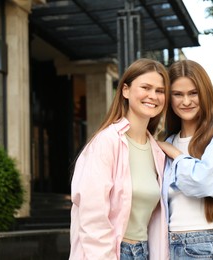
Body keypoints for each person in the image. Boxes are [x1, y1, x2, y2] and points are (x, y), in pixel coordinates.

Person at [69, 58, 170, 260]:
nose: (153, 96)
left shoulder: (157, 152)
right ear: (125, 90)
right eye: (146, 87)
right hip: (113, 252)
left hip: (144, 252)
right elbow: (93, 216)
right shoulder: (106, 142)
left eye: (160, 90)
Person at [157, 60, 213, 260]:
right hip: (170, 244)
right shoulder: (168, 141)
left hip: (205, 244)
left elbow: (204, 182)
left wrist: (176, 155)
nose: (186, 101)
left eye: (193, 93)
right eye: (178, 94)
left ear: (204, 93)